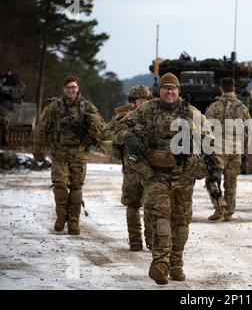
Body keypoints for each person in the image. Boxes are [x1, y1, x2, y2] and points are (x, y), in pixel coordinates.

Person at [113, 72, 223, 285]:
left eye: (173, 88)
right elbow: (117, 128)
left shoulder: (192, 114)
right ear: (159, 91)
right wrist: (128, 137)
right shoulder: (147, 111)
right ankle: (160, 263)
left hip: (185, 176)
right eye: (165, 88)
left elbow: (210, 142)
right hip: (155, 176)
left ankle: (176, 263)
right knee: (160, 218)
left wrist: (216, 168)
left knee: (181, 223)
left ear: (178, 91)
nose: (169, 91)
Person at [33, 76, 105, 235]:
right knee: (59, 185)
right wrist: (37, 149)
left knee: (76, 188)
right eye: (67, 87)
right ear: (63, 89)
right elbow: (42, 128)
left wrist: (91, 122)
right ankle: (61, 216)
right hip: (59, 153)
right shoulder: (54, 106)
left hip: (79, 154)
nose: (70, 90)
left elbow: (101, 128)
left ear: (78, 88)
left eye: (73, 87)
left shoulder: (87, 106)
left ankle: (73, 221)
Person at [102, 84, 153, 251]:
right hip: (131, 168)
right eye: (139, 99)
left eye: (145, 99)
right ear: (133, 101)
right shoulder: (124, 117)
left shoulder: (155, 116)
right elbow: (106, 133)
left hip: (151, 168)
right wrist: (125, 135)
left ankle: (151, 240)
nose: (143, 102)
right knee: (132, 205)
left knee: (151, 205)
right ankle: (135, 240)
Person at [205, 78, 251, 221]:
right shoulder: (243, 108)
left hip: (218, 150)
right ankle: (229, 212)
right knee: (231, 182)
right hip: (235, 150)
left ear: (221, 89)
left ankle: (220, 208)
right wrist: (243, 149)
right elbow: (248, 130)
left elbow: (205, 128)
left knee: (212, 180)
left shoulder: (214, 107)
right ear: (234, 88)